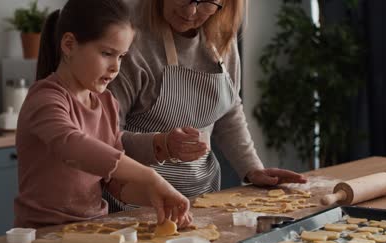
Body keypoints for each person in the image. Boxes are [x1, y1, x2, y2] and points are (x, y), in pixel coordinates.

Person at [106, 0, 307, 208]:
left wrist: (253, 169)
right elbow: (104, 141)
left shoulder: (220, 36)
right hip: (135, 205)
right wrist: (162, 144)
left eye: (207, 2)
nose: (191, 11)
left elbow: (228, 113)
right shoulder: (128, 39)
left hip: (202, 200)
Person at [14, 0, 191, 228]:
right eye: (107, 53)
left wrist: (158, 199)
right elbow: (72, 146)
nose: (116, 67)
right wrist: (150, 177)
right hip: (41, 233)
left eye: (121, 56)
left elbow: (115, 183)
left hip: (92, 229)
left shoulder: (107, 103)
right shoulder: (45, 98)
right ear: (69, 45)